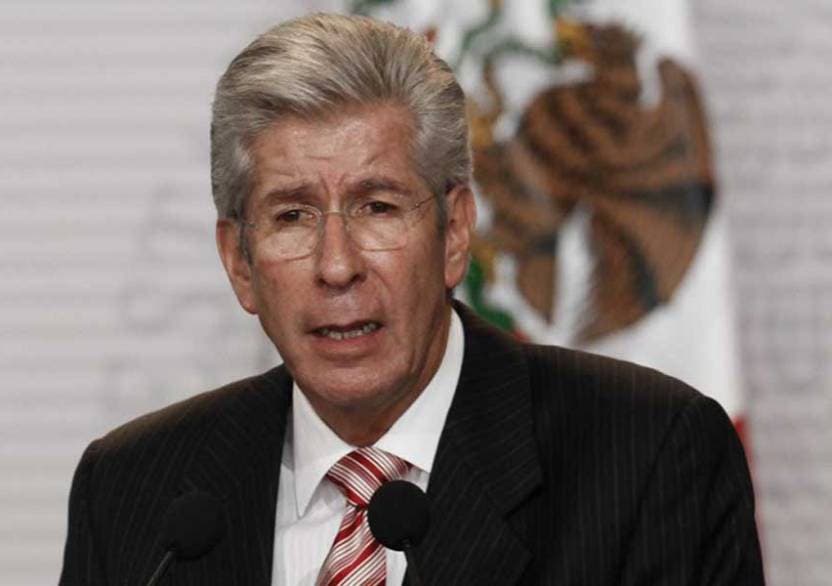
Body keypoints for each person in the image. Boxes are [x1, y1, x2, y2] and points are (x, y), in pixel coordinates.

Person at [59, 13, 763, 586]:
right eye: (292, 216)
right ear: (239, 262)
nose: (337, 266)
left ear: (454, 232)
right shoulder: (133, 491)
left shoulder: (648, 459)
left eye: (379, 207)